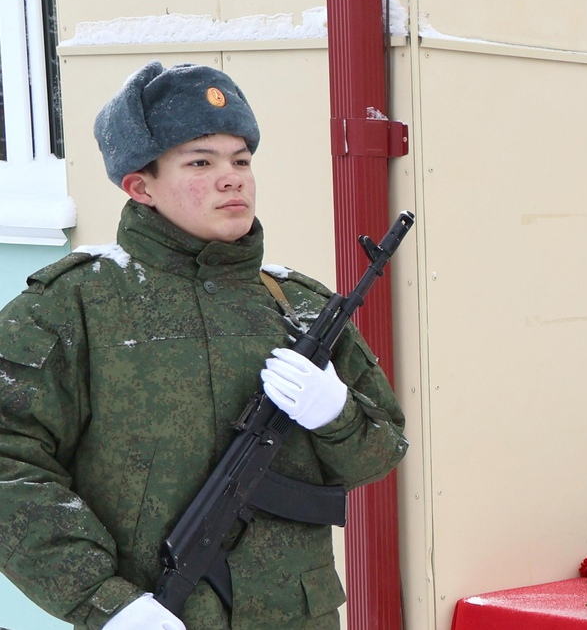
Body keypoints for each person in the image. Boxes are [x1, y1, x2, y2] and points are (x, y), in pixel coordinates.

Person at [0, 61, 408, 629]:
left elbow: (381, 453)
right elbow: (8, 465)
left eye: (242, 160)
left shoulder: (299, 305)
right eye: (201, 162)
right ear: (140, 186)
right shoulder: (72, 306)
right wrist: (105, 603)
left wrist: (335, 414)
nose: (233, 177)